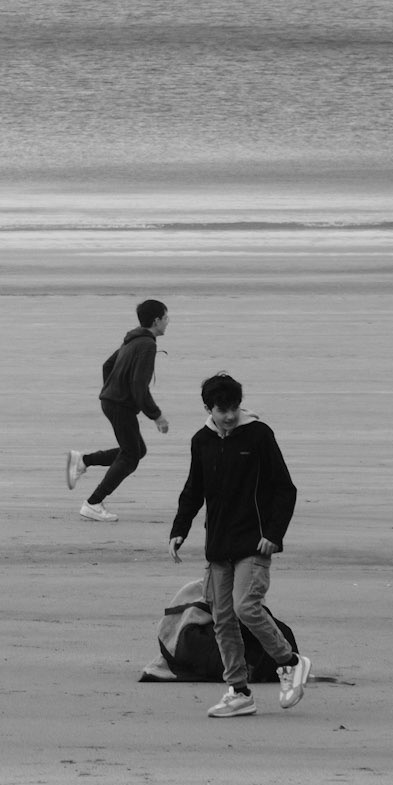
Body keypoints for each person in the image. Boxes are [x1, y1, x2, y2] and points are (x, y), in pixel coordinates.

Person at [170, 371, 309, 719]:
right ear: (209, 409)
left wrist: (274, 534)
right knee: (223, 619)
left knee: (246, 607)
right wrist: (179, 529)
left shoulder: (259, 435)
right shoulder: (201, 440)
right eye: (222, 409)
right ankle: (239, 691)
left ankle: (291, 663)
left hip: (255, 542)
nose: (230, 415)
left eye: (234, 407)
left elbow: (285, 489)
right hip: (218, 545)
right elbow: (193, 489)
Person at [67, 298, 171, 520]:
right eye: (165, 317)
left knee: (136, 450)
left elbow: (107, 366)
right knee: (131, 456)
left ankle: (83, 461)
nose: (168, 321)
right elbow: (139, 386)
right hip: (119, 404)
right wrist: (157, 415)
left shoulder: (133, 340)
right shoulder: (147, 344)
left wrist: (112, 390)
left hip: (113, 401)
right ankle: (93, 503)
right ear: (156, 320)